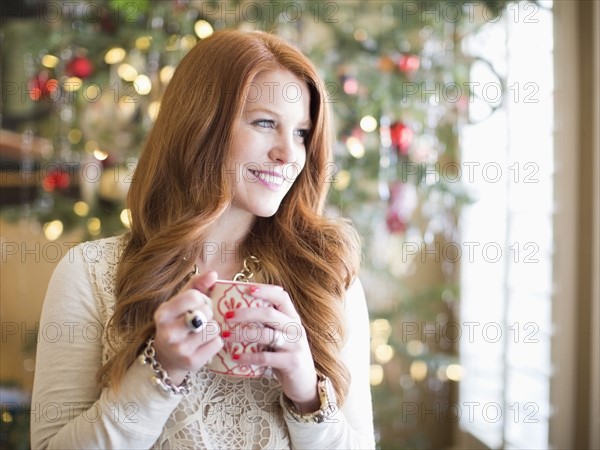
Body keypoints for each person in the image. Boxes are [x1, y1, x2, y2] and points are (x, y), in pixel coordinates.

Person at [31, 29, 375, 449]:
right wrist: (158, 373)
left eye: (302, 133)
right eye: (266, 123)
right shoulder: (91, 272)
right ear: (200, 124)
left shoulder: (327, 277)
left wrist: (306, 393)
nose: (290, 154)